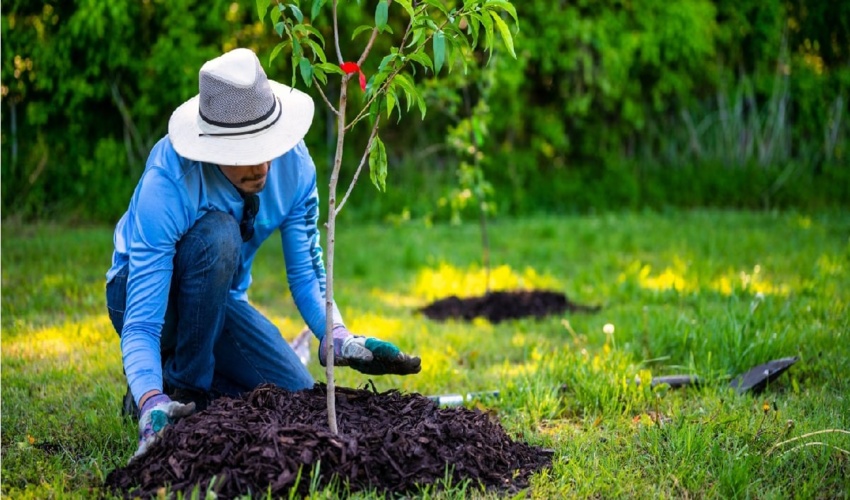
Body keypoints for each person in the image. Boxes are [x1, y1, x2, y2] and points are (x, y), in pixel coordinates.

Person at [105, 48, 421, 459]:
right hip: (142, 298)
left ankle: (172, 383)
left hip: (219, 302)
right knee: (219, 235)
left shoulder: (295, 168)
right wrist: (151, 402)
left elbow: (308, 274)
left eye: (264, 144)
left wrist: (337, 336)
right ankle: (177, 391)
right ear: (212, 146)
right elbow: (142, 323)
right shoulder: (169, 181)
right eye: (242, 151)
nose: (260, 166)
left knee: (294, 394)